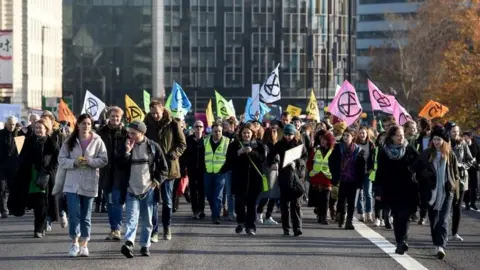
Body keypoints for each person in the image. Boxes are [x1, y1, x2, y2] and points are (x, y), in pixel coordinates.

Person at [58, 113, 108, 257]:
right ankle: (74, 243)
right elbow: (61, 160)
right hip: (72, 182)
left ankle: (84, 244)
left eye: (88, 124)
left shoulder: (98, 141)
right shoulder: (69, 141)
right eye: (83, 123)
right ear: (78, 125)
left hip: (89, 181)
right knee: (74, 214)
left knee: (86, 215)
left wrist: (90, 161)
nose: (86, 126)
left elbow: (104, 159)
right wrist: (74, 162)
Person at [118, 121, 168, 258]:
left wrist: (156, 182)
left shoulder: (153, 146)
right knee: (131, 220)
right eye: (129, 133)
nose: (130, 135)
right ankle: (129, 243)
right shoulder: (126, 144)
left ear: (142, 133)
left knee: (147, 220)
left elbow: (164, 168)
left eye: (133, 133)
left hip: (148, 190)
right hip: (131, 189)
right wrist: (127, 152)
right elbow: (119, 165)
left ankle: (145, 246)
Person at [413, 125, 459, 259]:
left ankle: (441, 246)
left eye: (439, 139)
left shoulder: (450, 154)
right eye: (434, 139)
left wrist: (453, 188)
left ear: (444, 140)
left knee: (443, 220)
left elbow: (455, 173)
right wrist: (425, 174)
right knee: (433, 219)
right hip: (430, 191)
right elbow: (416, 169)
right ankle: (436, 242)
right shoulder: (426, 153)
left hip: (446, 191)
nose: (437, 142)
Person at [8, 119, 60, 237]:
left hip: (44, 177)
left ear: (46, 129)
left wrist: (50, 172)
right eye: (36, 128)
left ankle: (39, 229)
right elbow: (21, 156)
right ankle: (41, 225)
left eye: (40, 128)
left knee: (41, 204)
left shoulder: (51, 142)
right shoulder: (29, 141)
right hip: (29, 177)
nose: (38, 130)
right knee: (32, 201)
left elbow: (56, 160)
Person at [144, 100, 186, 241]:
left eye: (157, 113)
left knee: (167, 200)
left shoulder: (173, 123)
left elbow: (182, 144)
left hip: (169, 167)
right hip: (152, 168)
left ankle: (167, 227)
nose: (155, 115)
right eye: (153, 113)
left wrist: (174, 154)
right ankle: (154, 230)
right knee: (153, 201)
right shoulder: (146, 124)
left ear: (163, 111)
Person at [375, 125, 418, 255]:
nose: (401, 137)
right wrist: (378, 190)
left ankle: (403, 240)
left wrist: (414, 170)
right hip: (390, 188)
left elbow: (420, 162)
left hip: (407, 188)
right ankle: (399, 241)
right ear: (392, 137)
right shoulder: (384, 151)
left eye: (402, 135)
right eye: (398, 135)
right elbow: (380, 172)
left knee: (404, 215)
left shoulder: (409, 149)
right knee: (396, 215)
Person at [268, 124, 308, 236]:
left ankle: (297, 228)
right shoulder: (280, 144)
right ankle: (286, 228)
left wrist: (296, 163)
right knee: (284, 205)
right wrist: (273, 162)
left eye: (290, 134)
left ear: (294, 134)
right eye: (286, 134)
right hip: (284, 177)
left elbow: (305, 158)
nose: (288, 136)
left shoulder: (300, 144)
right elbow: (270, 156)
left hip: (297, 178)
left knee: (296, 205)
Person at [227, 123, 266, 235]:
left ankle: (250, 226)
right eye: (244, 133)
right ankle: (241, 221)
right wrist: (238, 153)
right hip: (239, 179)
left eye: (248, 133)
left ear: (252, 133)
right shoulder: (234, 145)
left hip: (254, 180)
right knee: (239, 202)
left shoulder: (258, 145)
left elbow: (262, 159)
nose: (246, 135)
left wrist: (252, 153)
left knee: (251, 204)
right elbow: (229, 160)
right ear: (240, 133)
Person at [97, 106, 128, 241]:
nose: (115, 119)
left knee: (116, 200)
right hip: (105, 172)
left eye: (117, 117)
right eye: (113, 116)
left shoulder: (125, 132)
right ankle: (113, 228)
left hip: (120, 172)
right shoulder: (101, 132)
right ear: (108, 117)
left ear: (121, 118)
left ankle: (117, 228)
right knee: (108, 201)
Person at [330, 128, 366, 230]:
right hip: (341, 179)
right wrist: (334, 174)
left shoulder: (359, 151)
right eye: (344, 135)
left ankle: (349, 221)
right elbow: (331, 161)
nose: (345, 137)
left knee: (351, 202)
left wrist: (360, 182)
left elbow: (362, 168)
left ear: (353, 137)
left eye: (348, 135)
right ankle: (341, 217)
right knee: (341, 200)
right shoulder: (338, 147)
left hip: (353, 180)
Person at [449, 123, 473, 241]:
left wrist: (462, 165)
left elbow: (470, 160)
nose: (456, 134)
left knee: (457, 206)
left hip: (461, 178)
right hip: (447, 177)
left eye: (457, 131)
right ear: (448, 132)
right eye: (453, 131)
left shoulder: (462, 144)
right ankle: (441, 232)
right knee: (445, 205)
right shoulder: (443, 143)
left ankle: (454, 233)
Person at [203, 123, 230, 224]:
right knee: (209, 195)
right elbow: (202, 156)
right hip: (208, 172)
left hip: (221, 173)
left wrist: (225, 169)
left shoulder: (227, 142)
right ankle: (214, 210)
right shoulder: (205, 141)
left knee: (218, 195)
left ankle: (216, 216)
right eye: (215, 131)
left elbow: (229, 158)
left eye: (219, 131)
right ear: (211, 131)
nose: (217, 133)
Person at [307, 130, 336, 224]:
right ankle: (320, 215)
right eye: (322, 140)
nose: (323, 141)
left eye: (325, 140)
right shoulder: (316, 149)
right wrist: (311, 171)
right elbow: (310, 162)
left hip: (327, 178)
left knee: (326, 199)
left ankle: (324, 217)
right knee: (319, 198)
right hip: (317, 177)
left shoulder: (332, 151)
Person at [181, 120, 206, 219]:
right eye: (196, 126)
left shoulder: (206, 140)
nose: (198, 128)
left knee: (202, 191)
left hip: (203, 169)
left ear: (203, 128)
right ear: (193, 128)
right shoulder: (188, 140)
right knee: (193, 191)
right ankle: (195, 210)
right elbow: (183, 156)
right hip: (191, 169)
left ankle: (202, 210)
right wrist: (183, 167)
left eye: (200, 126)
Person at [256, 126, 280, 225]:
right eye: (274, 132)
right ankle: (261, 214)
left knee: (271, 196)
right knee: (267, 195)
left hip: (273, 173)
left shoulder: (273, 145)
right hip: (267, 173)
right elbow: (266, 159)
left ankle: (265, 215)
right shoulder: (266, 146)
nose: (276, 134)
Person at [0, 116, 20, 218]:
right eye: (9, 124)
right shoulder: (1, 134)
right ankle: (4, 210)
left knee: (11, 188)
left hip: (14, 166)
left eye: (13, 124)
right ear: (6, 124)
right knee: (2, 188)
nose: (11, 126)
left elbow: (21, 152)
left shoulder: (19, 135)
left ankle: (10, 208)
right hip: (2, 166)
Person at [355, 126, 375, 223]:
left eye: (364, 133)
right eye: (360, 133)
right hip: (358, 173)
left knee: (368, 193)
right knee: (359, 194)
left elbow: (374, 158)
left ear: (367, 134)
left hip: (368, 172)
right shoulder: (355, 145)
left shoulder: (371, 145)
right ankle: (361, 213)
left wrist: (373, 169)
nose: (362, 135)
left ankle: (369, 213)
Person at [415, 118, 433, 225]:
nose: (418, 128)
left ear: (425, 126)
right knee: (422, 195)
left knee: (431, 195)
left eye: (419, 126)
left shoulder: (434, 138)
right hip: (421, 170)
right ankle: (422, 216)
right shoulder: (419, 139)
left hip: (432, 169)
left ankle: (430, 215)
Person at [462, 131, 480, 211]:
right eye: (463, 136)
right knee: (466, 186)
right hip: (465, 167)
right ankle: (467, 203)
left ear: (470, 137)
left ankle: (473, 203)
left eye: (466, 136)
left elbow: (479, 154)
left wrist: (478, 163)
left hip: (474, 168)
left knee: (474, 186)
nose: (464, 138)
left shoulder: (476, 144)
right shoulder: (462, 145)